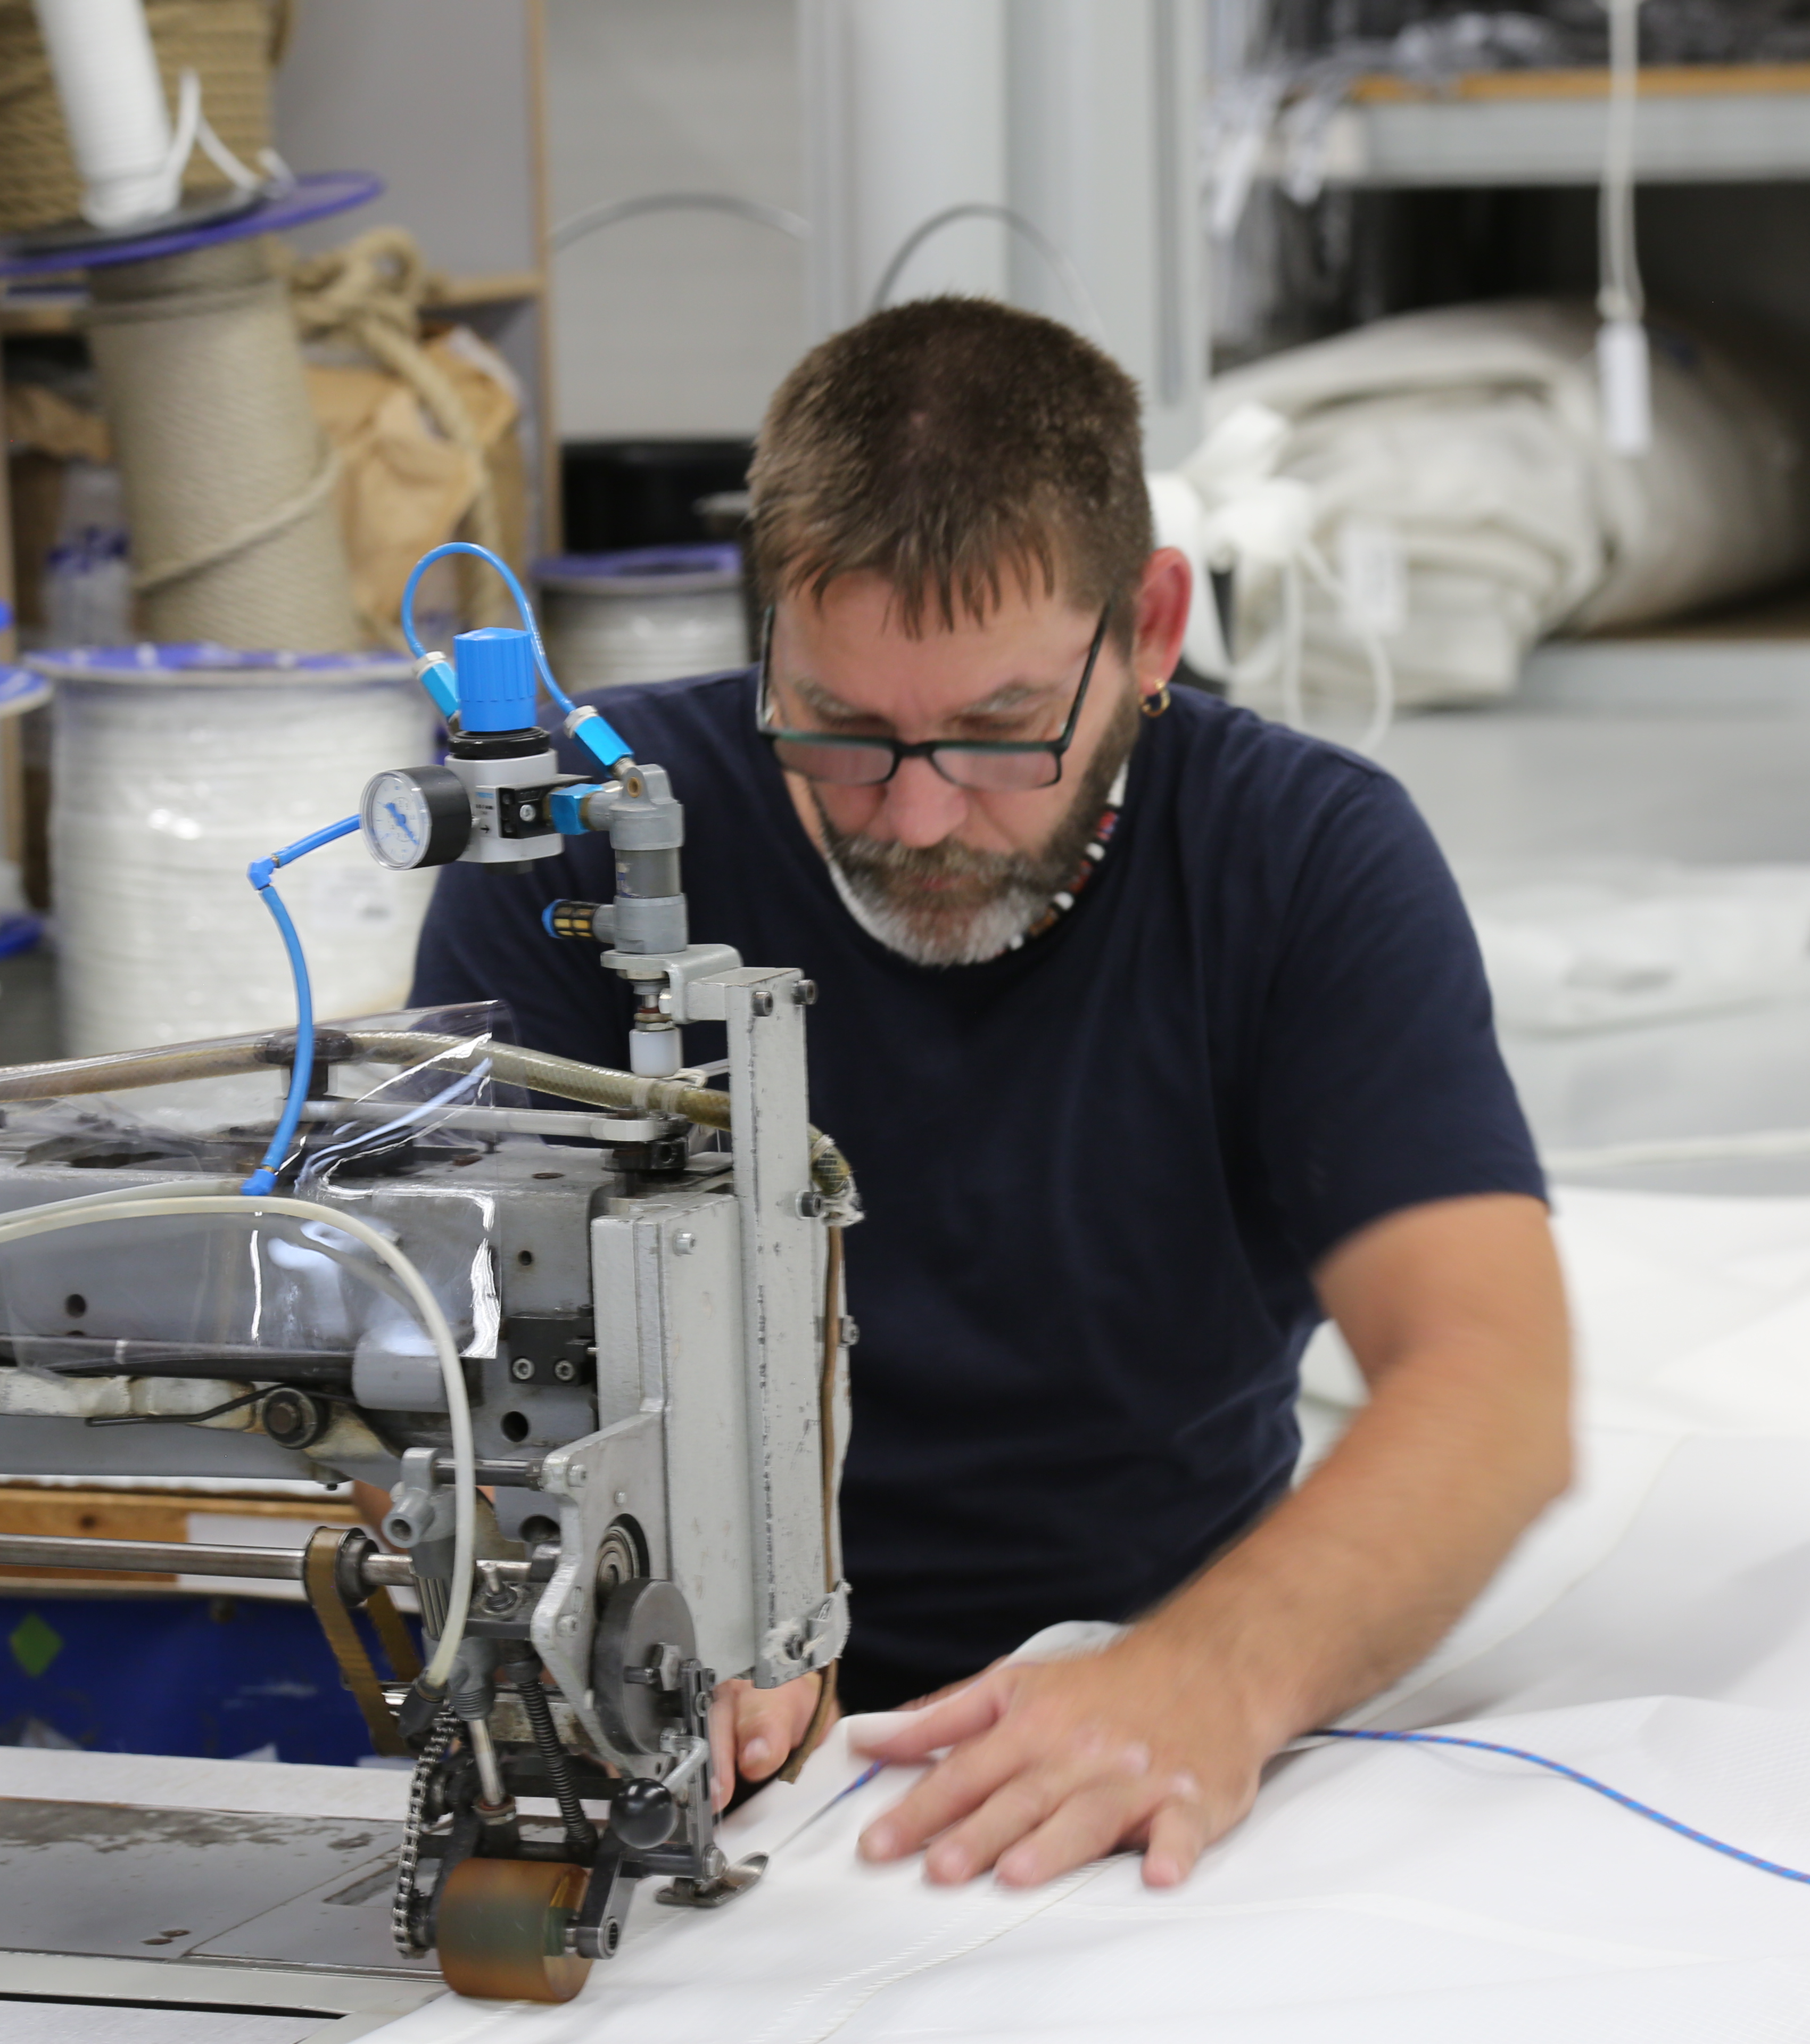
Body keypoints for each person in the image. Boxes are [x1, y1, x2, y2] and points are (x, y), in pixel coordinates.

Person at [408, 298, 1570, 1892]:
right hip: (689, 1712)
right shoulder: (574, 858)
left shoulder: (1303, 863)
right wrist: (652, 1612)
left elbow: (1495, 1387)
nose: (919, 812)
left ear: (1153, 630)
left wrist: (1210, 1677)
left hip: (1144, 1706)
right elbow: (449, 1366)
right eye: (842, 728)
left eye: (1003, 731)